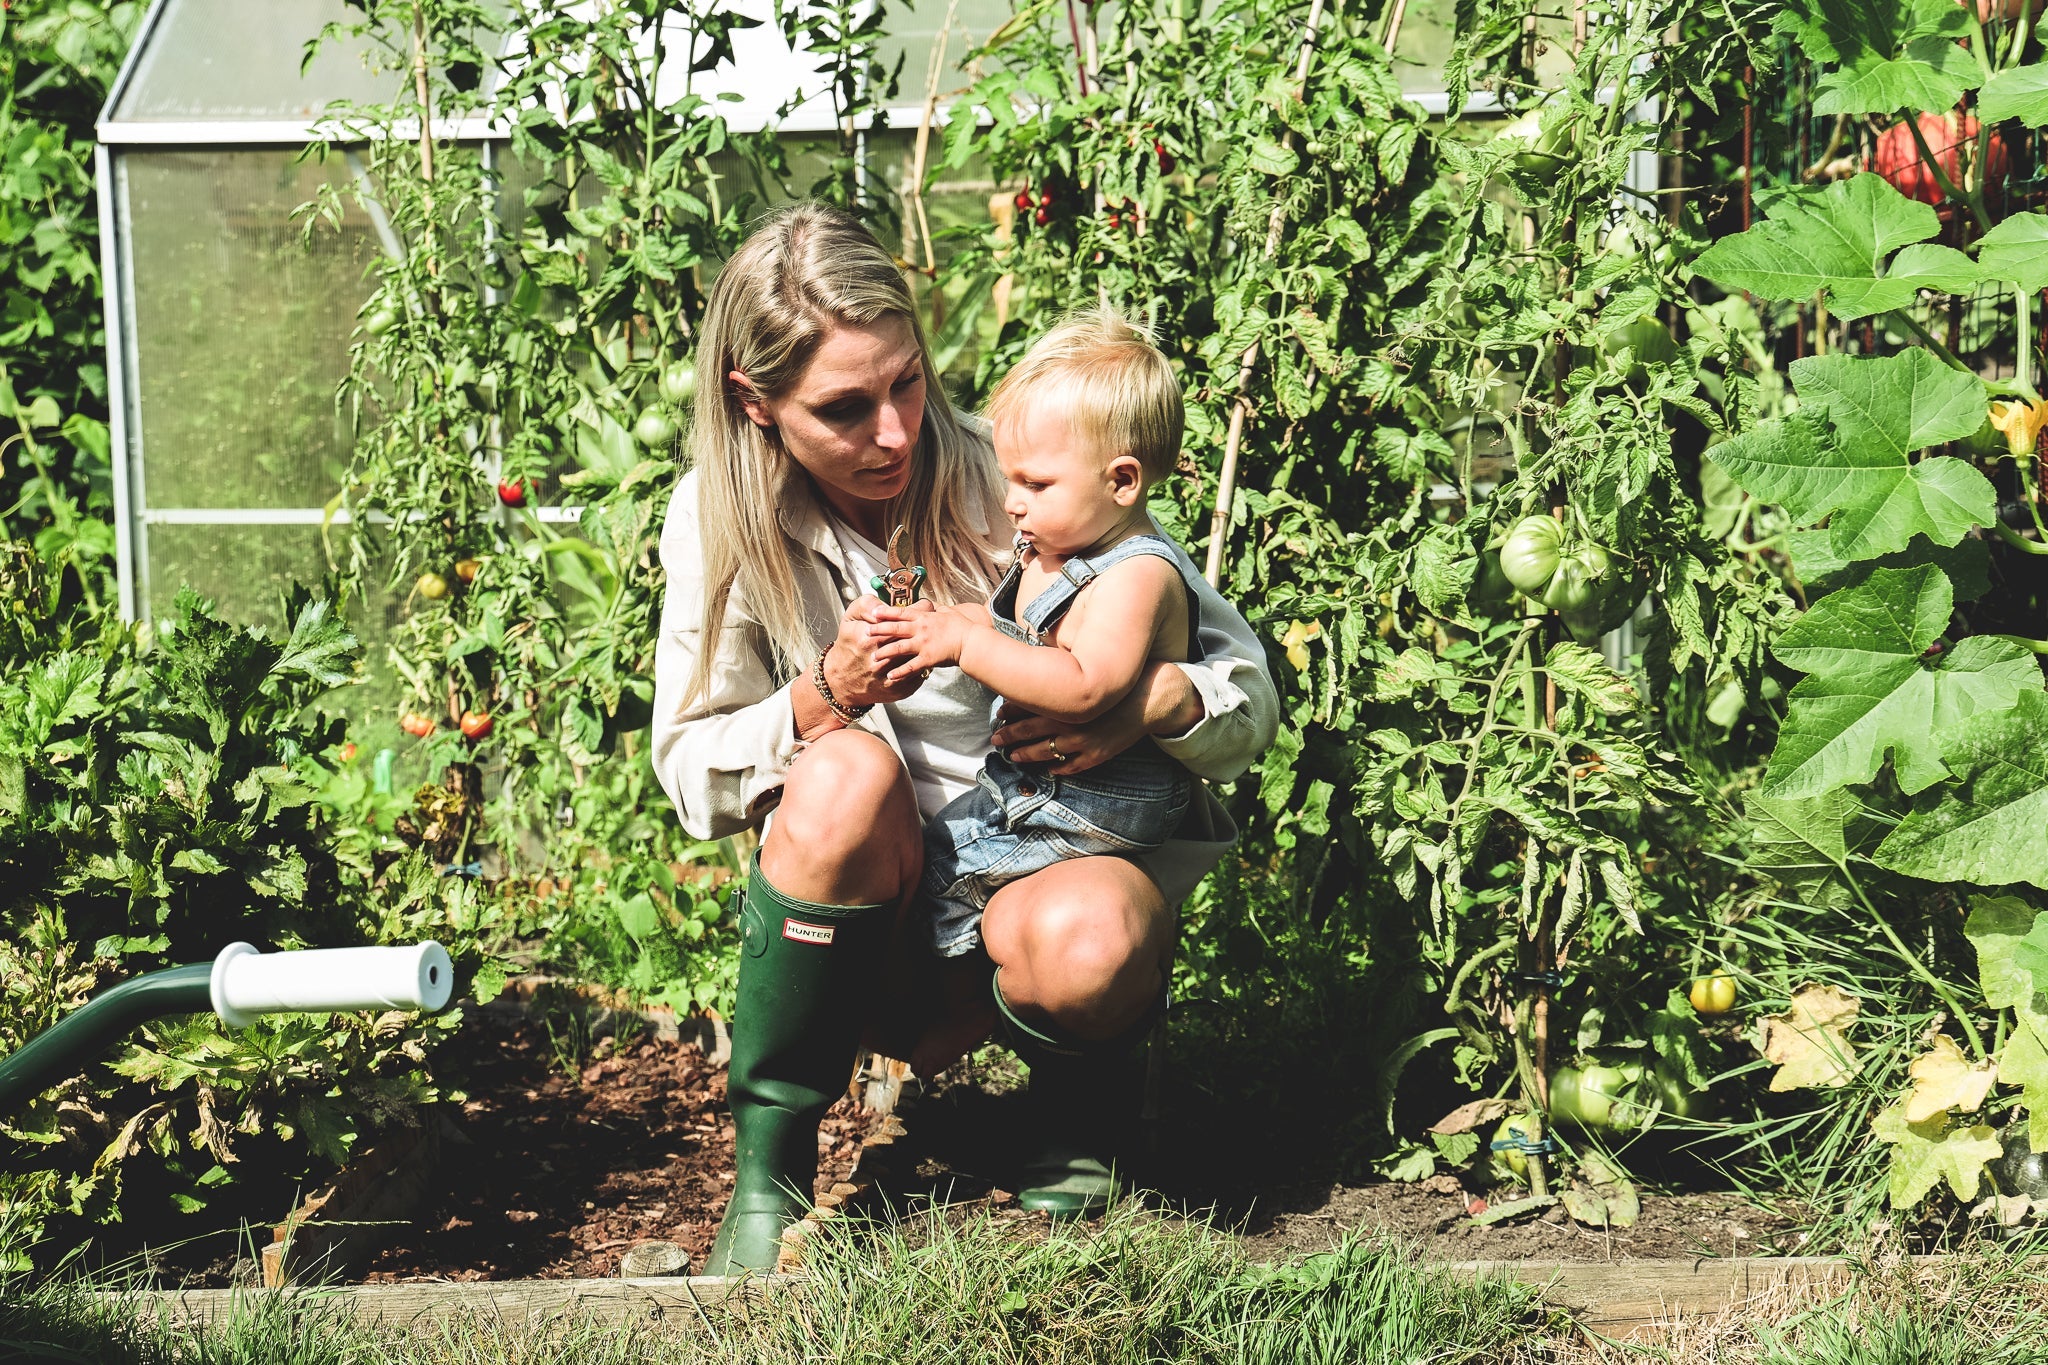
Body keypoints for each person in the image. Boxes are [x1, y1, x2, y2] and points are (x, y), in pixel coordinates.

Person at [650, 202, 1278, 1275]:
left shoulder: (1028, 479)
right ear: (754, 403)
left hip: (1032, 898)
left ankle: (1078, 1130)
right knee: (843, 769)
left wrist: (1146, 700)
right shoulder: (717, 517)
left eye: (905, 382)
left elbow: (1247, 700)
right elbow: (691, 774)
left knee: (1091, 934)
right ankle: (771, 1174)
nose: (893, 432)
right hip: (869, 922)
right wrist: (819, 698)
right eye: (845, 408)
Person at [866, 311, 1212, 1079]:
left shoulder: (1137, 575)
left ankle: (966, 1010)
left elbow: (1086, 684)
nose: (1011, 500)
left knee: (944, 875)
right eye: (1009, 476)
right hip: (1045, 784)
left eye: (1034, 482)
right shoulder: (1064, 545)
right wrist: (955, 618)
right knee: (932, 860)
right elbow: (1031, 640)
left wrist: (969, 644)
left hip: (1097, 796)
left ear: (1123, 480)